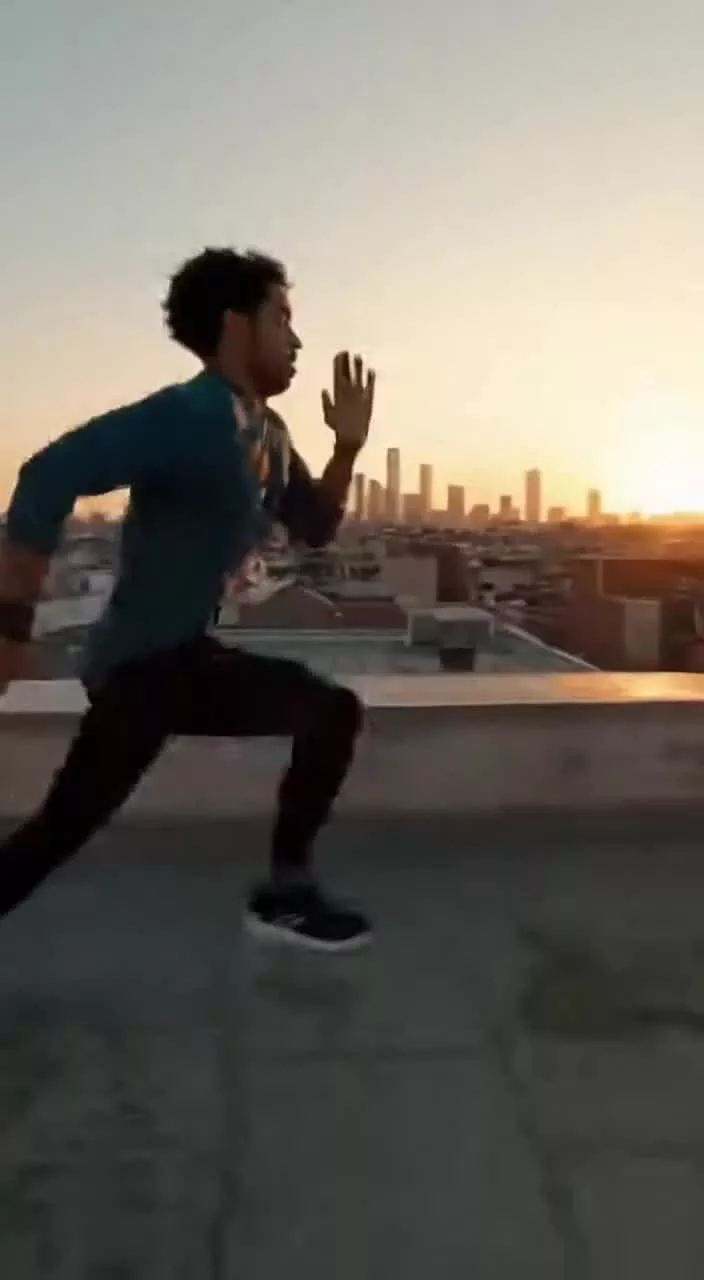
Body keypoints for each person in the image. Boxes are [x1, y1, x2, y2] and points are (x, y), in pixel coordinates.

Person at [0, 247, 376, 951]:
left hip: (186, 661)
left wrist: (347, 449)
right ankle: (286, 893)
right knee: (55, 834)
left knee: (330, 713)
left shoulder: (264, 432)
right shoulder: (186, 416)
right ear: (237, 325)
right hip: (140, 672)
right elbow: (45, 476)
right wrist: (13, 621)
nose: (296, 340)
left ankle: (286, 894)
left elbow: (315, 529)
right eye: (282, 319)